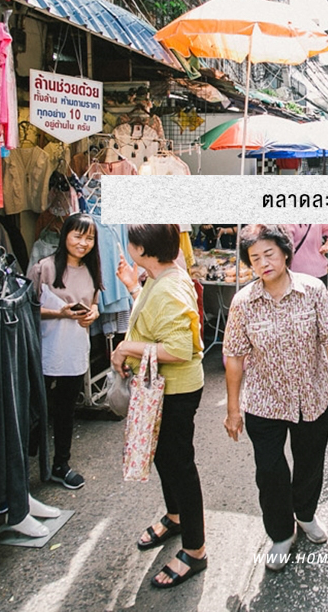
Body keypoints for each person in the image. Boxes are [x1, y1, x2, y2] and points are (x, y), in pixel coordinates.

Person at [223, 225, 328, 571]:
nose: (264, 263)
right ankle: (281, 532)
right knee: (269, 471)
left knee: (310, 464)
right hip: (264, 402)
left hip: (311, 397)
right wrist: (233, 409)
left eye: (269, 254)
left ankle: (306, 514)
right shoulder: (243, 302)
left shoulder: (312, 290)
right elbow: (234, 357)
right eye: (255, 258)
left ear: (284, 252)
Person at [113, 224, 206, 590]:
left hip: (175, 391)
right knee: (165, 458)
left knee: (179, 464)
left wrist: (126, 349)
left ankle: (196, 550)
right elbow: (154, 320)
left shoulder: (167, 286)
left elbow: (180, 349)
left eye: (131, 241)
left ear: (141, 248)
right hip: (163, 389)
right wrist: (132, 286)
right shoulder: (160, 275)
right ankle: (176, 516)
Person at [27, 213, 102, 490]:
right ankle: (24, 465)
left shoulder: (92, 269)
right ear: (65, 235)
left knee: (65, 410)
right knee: (35, 407)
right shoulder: (44, 268)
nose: (83, 243)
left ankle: (61, 464)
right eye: (78, 235)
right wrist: (58, 312)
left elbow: (94, 303)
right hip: (45, 347)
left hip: (74, 348)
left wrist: (92, 314)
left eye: (89, 238)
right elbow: (27, 310)